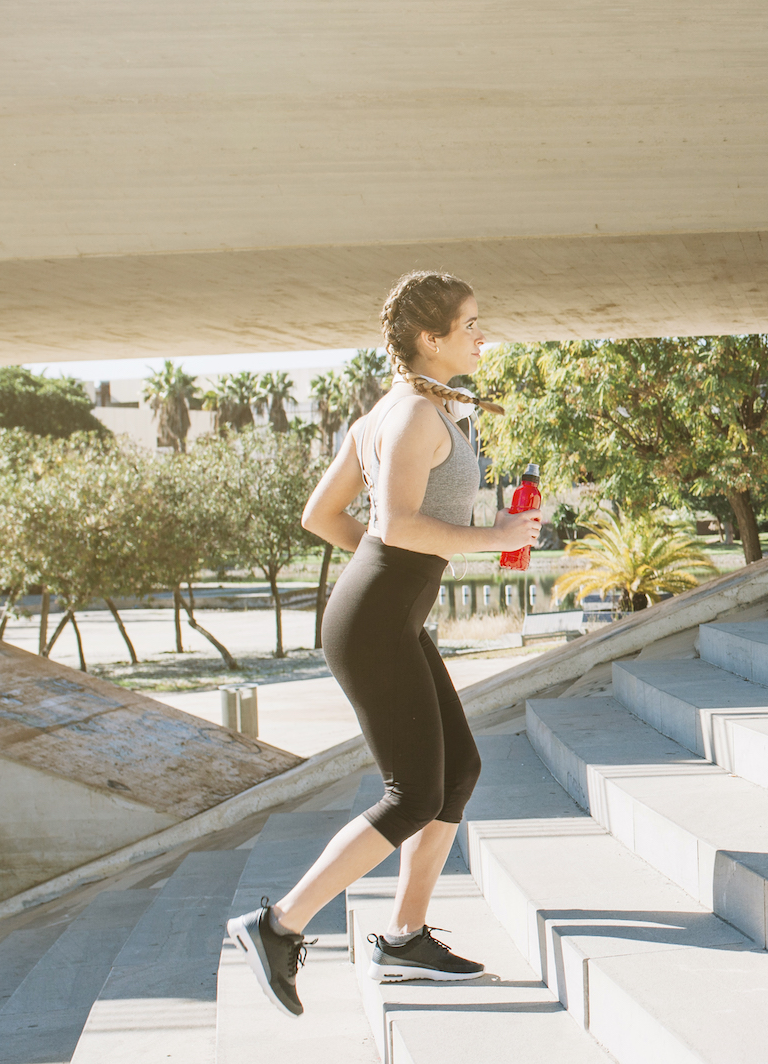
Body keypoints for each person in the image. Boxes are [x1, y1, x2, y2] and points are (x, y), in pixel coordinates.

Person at [226, 271, 543, 1016]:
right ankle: (276, 926)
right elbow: (395, 523)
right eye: (469, 324)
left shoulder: (407, 411)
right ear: (430, 339)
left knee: (456, 770)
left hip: (385, 614)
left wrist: (388, 572)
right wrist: (479, 540)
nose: (481, 335)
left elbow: (321, 515)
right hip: (374, 621)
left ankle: (403, 938)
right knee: (411, 797)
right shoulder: (409, 418)